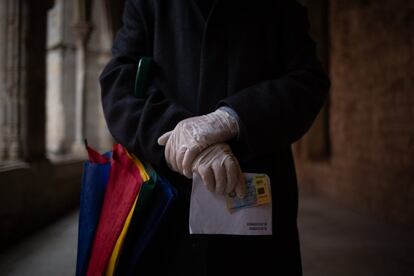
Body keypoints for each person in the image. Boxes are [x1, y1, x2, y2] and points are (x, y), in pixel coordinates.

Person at [100, 0, 330, 275]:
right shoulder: (146, 4)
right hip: (169, 208)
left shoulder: (280, 6)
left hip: (255, 209)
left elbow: (308, 82)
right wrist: (181, 133)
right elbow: (118, 85)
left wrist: (230, 119)